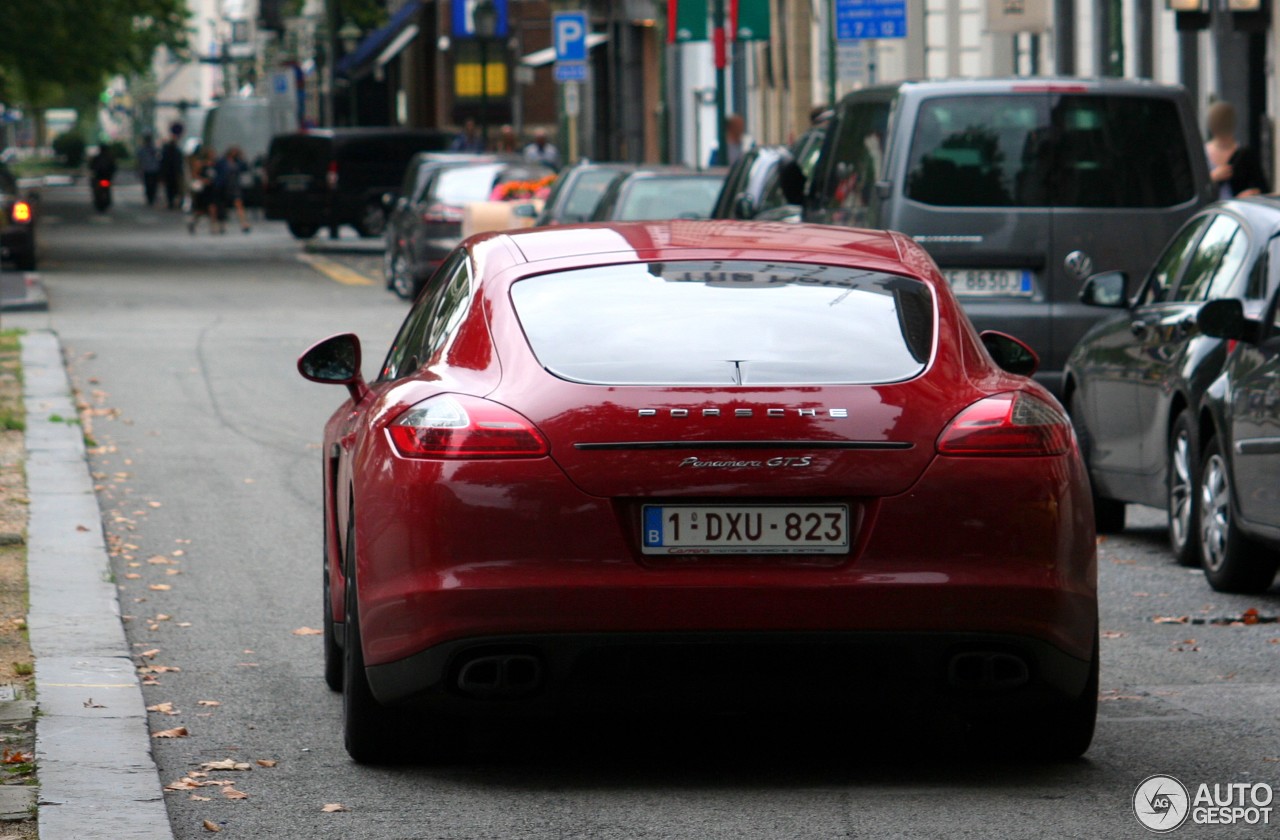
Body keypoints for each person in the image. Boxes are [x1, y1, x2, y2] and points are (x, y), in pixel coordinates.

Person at [1205, 101, 1269, 199]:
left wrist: (1249, 195)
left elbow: (1263, 189)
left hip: (1238, 207)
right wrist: (1213, 177)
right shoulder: (1201, 155)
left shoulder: (1245, 155)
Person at [216, 146, 251, 233]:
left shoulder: (238, 162)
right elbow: (218, 172)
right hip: (224, 186)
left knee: (238, 204)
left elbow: (246, 168)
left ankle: (243, 223)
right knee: (223, 206)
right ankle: (221, 225)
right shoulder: (222, 162)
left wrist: (242, 158)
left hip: (235, 186)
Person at [187, 147, 221, 234]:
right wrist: (203, 180)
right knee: (201, 210)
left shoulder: (215, 164)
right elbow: (194, 175)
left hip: (212, 189)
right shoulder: (201, 164)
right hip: (203, 190)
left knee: (213, 207)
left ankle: (213, 226)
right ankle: (193, 222)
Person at [160, 123, 185, 210]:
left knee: (170, 188)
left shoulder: (167, 150)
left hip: (169, 172)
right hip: (174, 172)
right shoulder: (176, 151)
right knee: (176, 188)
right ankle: (174, 202)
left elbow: (163, 162)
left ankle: (171, 202)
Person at [136, 131, 160, 206]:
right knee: (148, 185)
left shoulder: (154, 149)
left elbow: (158, 159)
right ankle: (150, 198)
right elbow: (139, 160)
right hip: (147, 170)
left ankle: (152, 197)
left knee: (153, 185)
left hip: (153, 170)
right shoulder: (142, 150)